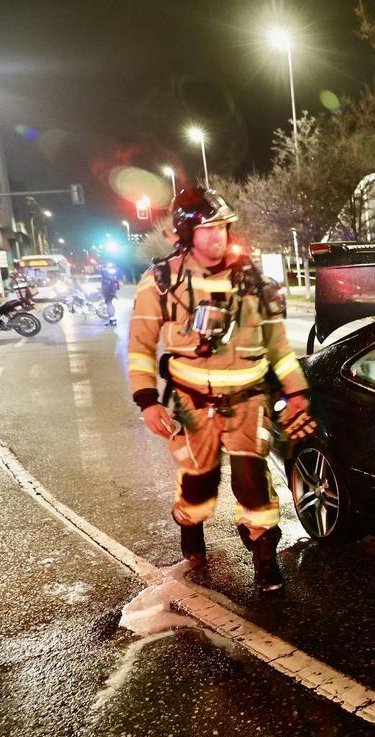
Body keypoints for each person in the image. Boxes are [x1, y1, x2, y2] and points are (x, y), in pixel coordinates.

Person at [127, 187, 316, 592]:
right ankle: (190, 524)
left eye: (223, 228)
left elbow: (278, 347)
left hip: (249, 400)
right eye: (208, 229)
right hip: (191, 404)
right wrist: (146, 401)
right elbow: (141, 347)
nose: (219, 236)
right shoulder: (161, 281)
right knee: (200, 482)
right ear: (186, 232)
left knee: (251, 481)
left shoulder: (253, 282)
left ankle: (265, 557)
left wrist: (295, 389)